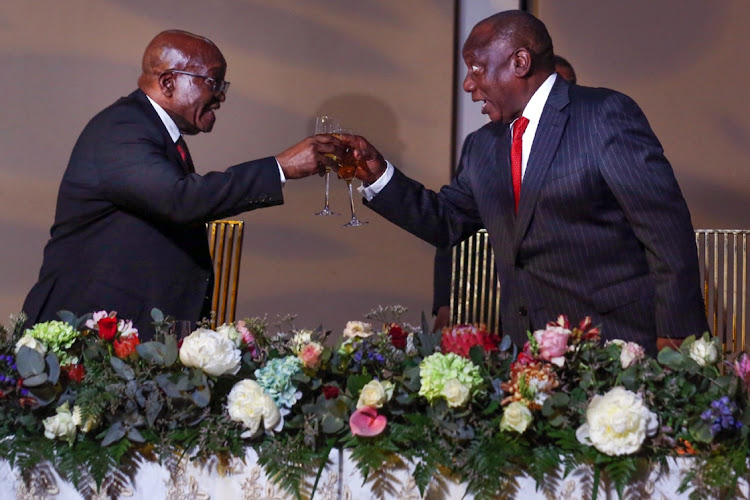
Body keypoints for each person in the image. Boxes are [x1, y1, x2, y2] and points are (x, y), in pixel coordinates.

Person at [348, 11, 708, 355]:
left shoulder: (603, 115)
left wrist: (675, 336)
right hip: (529, 360)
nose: (468, 83)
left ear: (519, 62)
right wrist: (378, 175)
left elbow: (667, 234)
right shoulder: (482, 146)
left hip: (617, 346)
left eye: (476, 67)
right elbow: (445, 221)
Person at [22, 30, 342, 339]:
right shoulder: (122, 127)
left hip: (126, 338)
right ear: (169, 82)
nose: (221, 96)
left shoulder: (154, 132)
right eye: (213, 82)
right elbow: (181, 199)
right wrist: (280, 167)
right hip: (84, 337)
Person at [431, 53, 578, 333]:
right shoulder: (483, 144)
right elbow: (451, 220)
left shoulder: (593, 134)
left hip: (575, 311)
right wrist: (445, 303)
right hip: (499, 307)